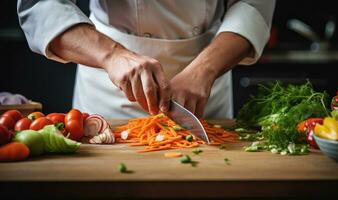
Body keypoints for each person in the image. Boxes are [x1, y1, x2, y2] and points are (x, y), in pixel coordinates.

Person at [17, 0, 276, 119]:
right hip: (109, 87)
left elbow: (253, 5)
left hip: (206, 88)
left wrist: (205, 69)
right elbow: (42, 5)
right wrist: (112, 55)